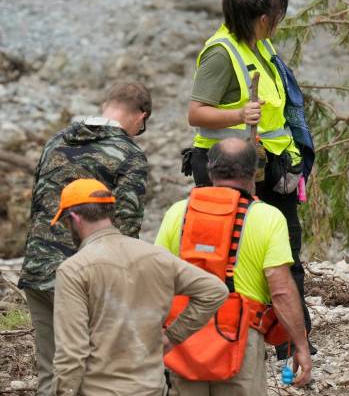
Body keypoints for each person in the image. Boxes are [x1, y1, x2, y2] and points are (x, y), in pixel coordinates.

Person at [184, 0, 314, 358]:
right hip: (227, 170)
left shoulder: (260, 46)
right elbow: (196, 113)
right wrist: (239, 113)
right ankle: (225, 334)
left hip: (271, 165)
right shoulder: (221, 54)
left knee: (285, 251)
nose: (279, 24)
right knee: (227, 253)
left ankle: (290, 340)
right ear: (263, 18)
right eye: (278, 17)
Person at [19, 81, 152, 396]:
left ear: (106, 106)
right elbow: (127, 225)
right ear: (141, 116)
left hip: (38, 269)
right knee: (93, 375)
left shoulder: (55, 142)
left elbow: (38, 205)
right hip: (86, 279)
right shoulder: (129, 153)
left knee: (51, 373)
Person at [158, 138, 312, 394]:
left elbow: (157, 281)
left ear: (210, 170)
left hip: (183, 337)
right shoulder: (268, 217)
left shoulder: (178, 212)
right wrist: (300, 345)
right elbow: (281, 292)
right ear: (254, 173)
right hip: (241, 339)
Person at [50, 179, 228, 395]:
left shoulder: (74, 270)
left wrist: (63, 391)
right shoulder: (156, 256)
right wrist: (173, 336)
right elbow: (215, 290)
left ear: (75, 218)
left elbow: (72, 352)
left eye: (65, 223)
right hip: (152, 389)